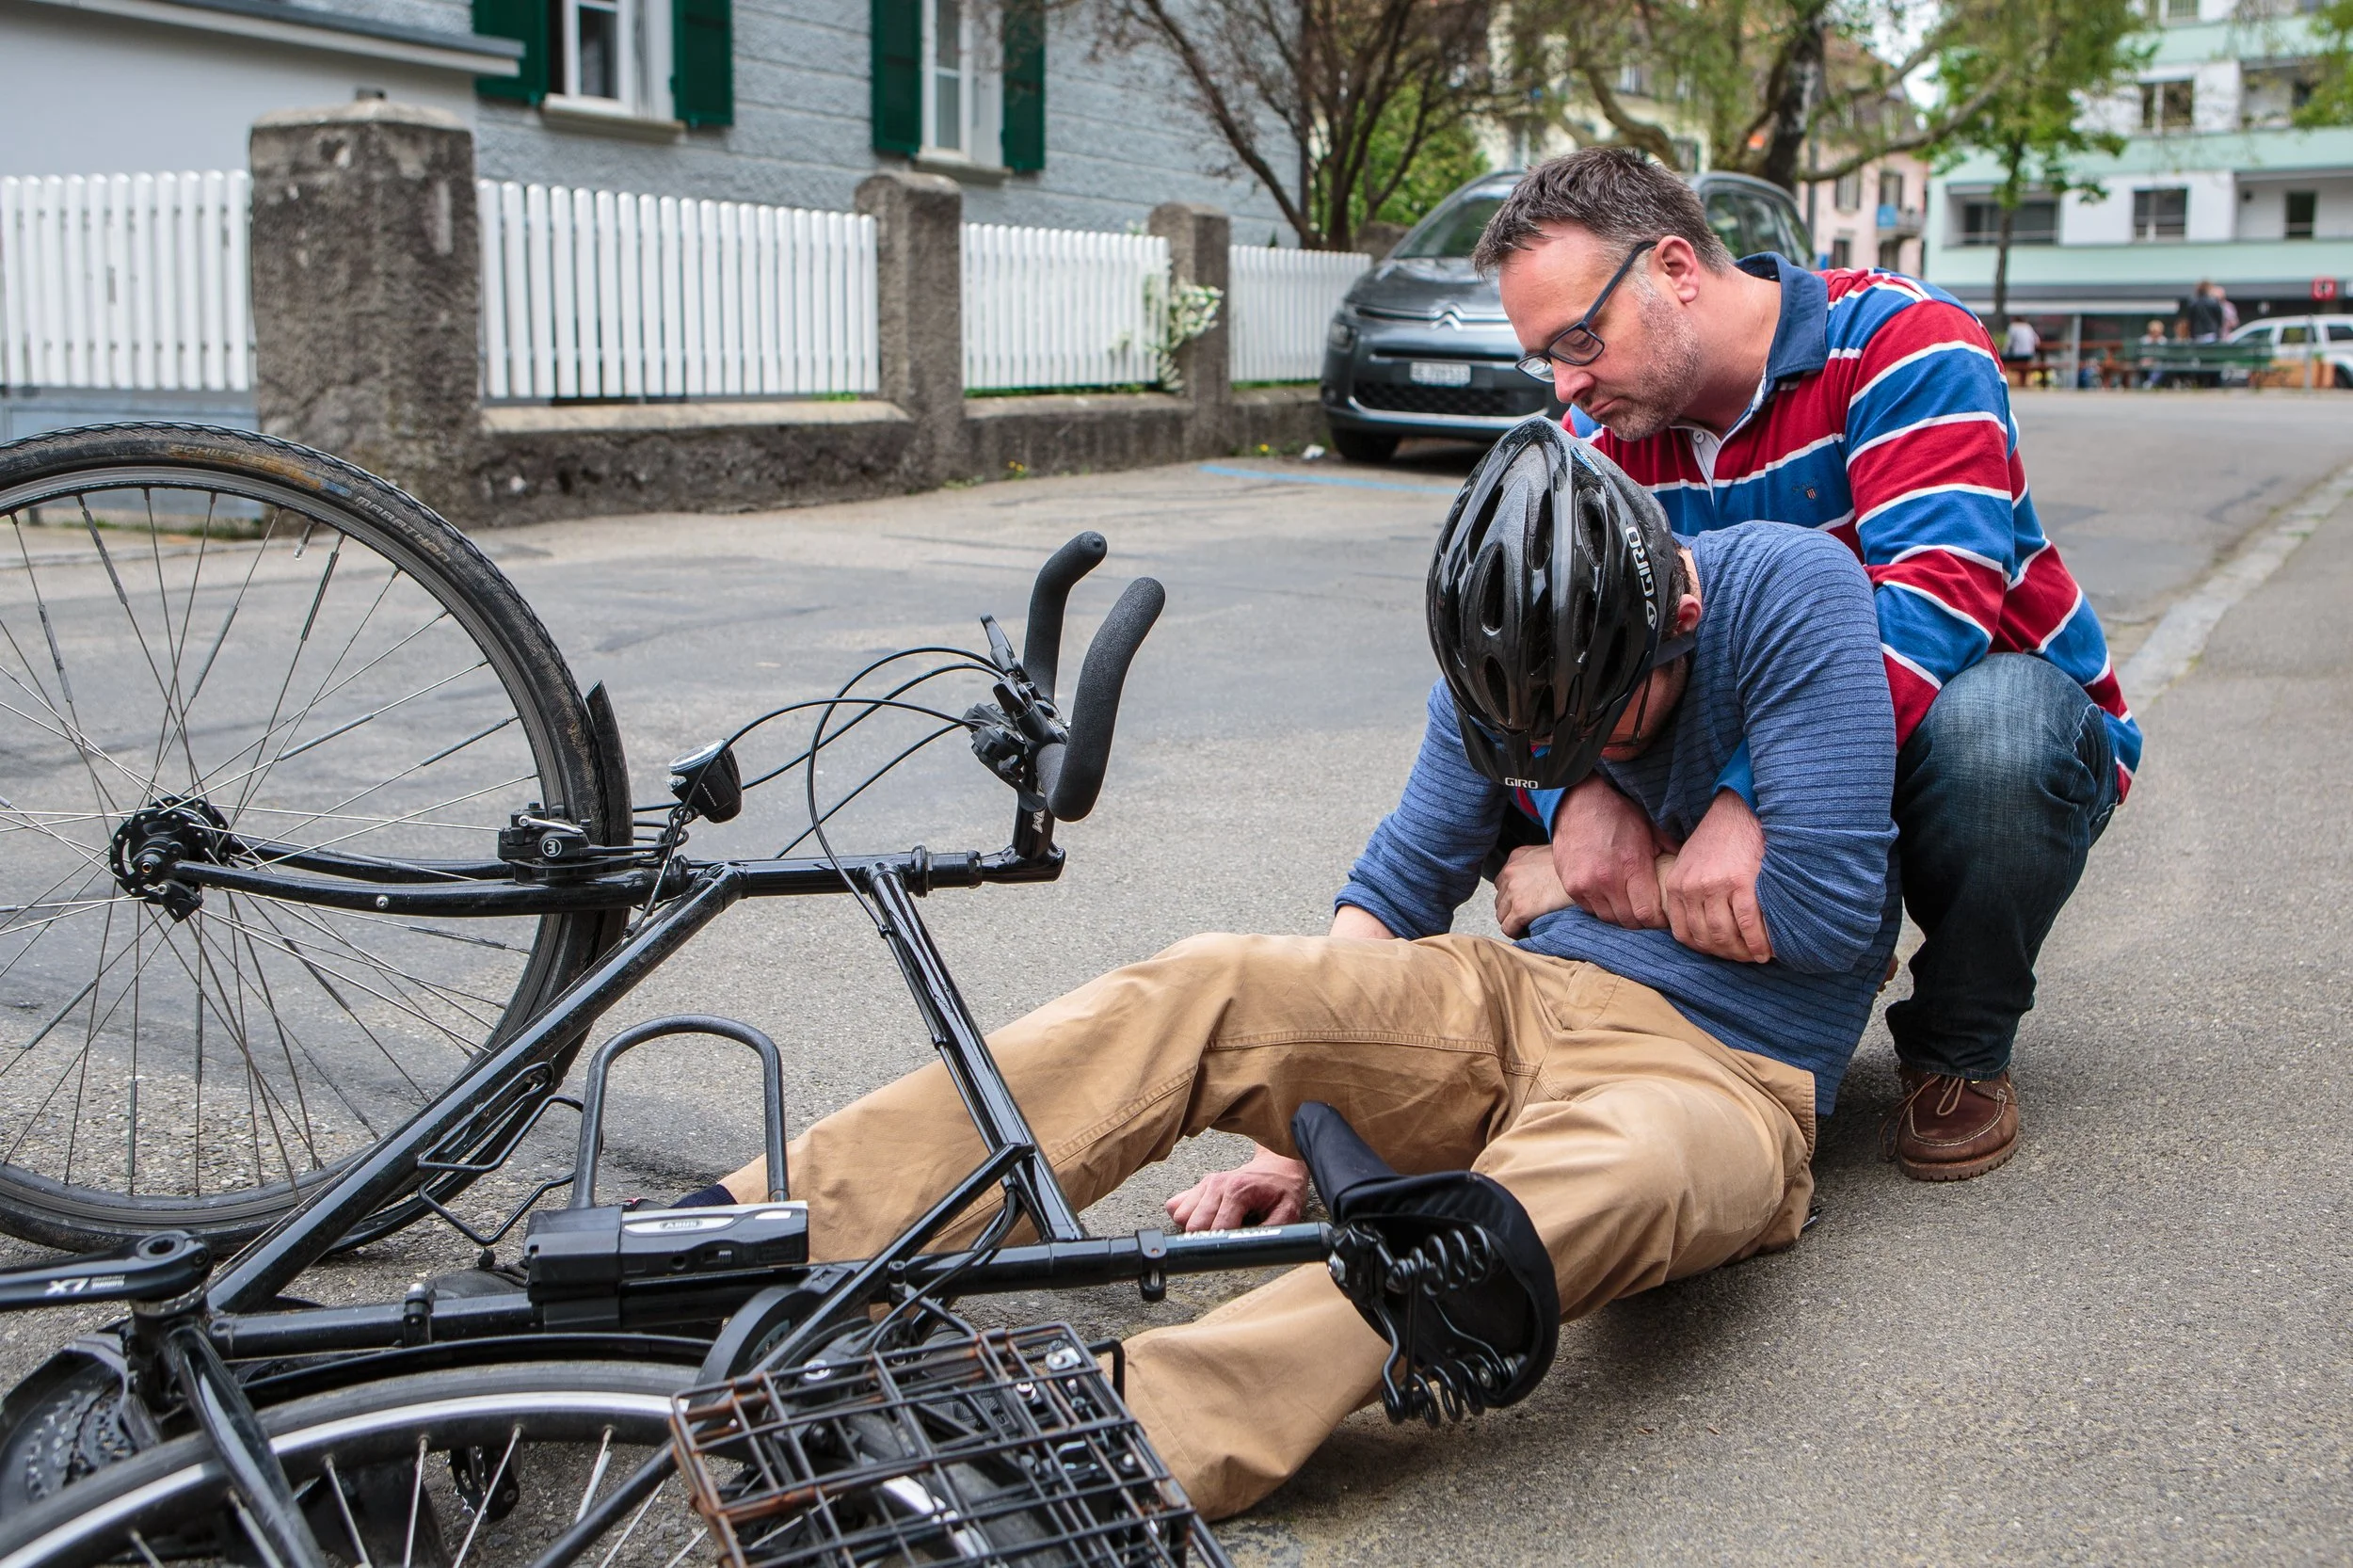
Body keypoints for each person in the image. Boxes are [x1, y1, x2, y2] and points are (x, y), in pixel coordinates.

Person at [694, 423, 1902, 1518]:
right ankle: (742, 1246)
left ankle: (1097, 1440)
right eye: (1531, 743)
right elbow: (1397, 883)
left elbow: (1824, 908)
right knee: (1214, 981)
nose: (1559, 759)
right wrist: (1298, 1124)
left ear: (1675, 616)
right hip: (1517, 997)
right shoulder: (1507, 655)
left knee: (1557, 1193)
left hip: (1721, 1071)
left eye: (1596, 734)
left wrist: (1576, 873)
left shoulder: (1789, 590)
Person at [1173, 148, 2136, 1224]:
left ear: (1675, 267)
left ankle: (1958, 1041)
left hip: (1946, 729)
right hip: (1722, 738)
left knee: (1999, 740)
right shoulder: (1598, 438)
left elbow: (1932, 610)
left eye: (1579, 341)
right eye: (1545, 358)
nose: (1565, 385)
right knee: (1505, 727)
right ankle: (1627, 971)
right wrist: (1567, 797)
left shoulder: (1905, 347)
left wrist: (1744, 799)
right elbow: (1559, 658)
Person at [2002, 315, 2041, 387]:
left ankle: (2004, 381)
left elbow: (2008, 343)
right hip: (2029, 355)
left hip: (2018, 355)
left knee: (2002, 360)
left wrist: (2004, 352)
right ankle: (2023, 383)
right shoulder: (2028, 327)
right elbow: (2037, 341)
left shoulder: (2013, 327)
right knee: (2024, 364)